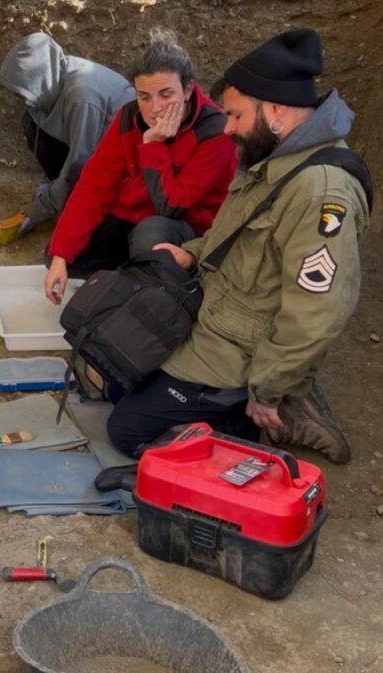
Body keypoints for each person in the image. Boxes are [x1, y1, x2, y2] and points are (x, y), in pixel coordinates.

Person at [106, 28, 371, 464]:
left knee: (126, 428)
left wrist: (265, 391)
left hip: (241, 350)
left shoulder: (322, 193)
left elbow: (317, 312)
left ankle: (268, 416)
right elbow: (235, 231)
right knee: (119, 376)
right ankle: (281, 398)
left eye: (235, 116)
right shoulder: (274, 157)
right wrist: (192, 251)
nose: (226, 128)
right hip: (214, 315)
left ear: (277, 111)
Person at [43, 29, 237, 304]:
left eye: (166, 94)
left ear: (189, 89)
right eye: (144, 96)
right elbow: (94, 185)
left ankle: (165, 299)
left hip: (191, 230)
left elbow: (173, 205)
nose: (155, 108)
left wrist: (153, 145)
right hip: (138, 214)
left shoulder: (215, 131)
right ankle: (130, 278)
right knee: (60, 254)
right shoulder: (129, 117)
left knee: (151, 234)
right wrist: (61, 256)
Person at [0, 32, 134, 245]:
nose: (21, 98)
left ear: (40, 78)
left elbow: (80, 163)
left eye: (23, 90)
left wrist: (40, 209)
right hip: (94, 143)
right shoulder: (56, 76)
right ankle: (62, 200)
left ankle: (67, 204)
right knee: (32, 122)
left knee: (91, 239)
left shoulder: (82, 97)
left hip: (127, 162)